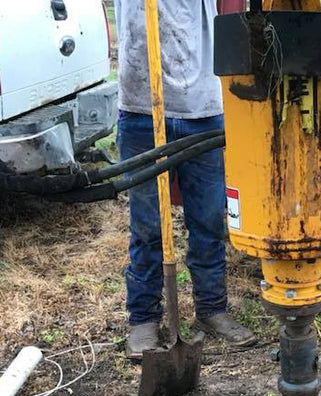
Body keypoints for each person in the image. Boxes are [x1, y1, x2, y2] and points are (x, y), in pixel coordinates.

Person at [114, 0, 256, 359]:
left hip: (202, 108)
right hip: (141, 108)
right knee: (147, 225)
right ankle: (144, 318)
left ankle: (212, 309)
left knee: (208, 220)